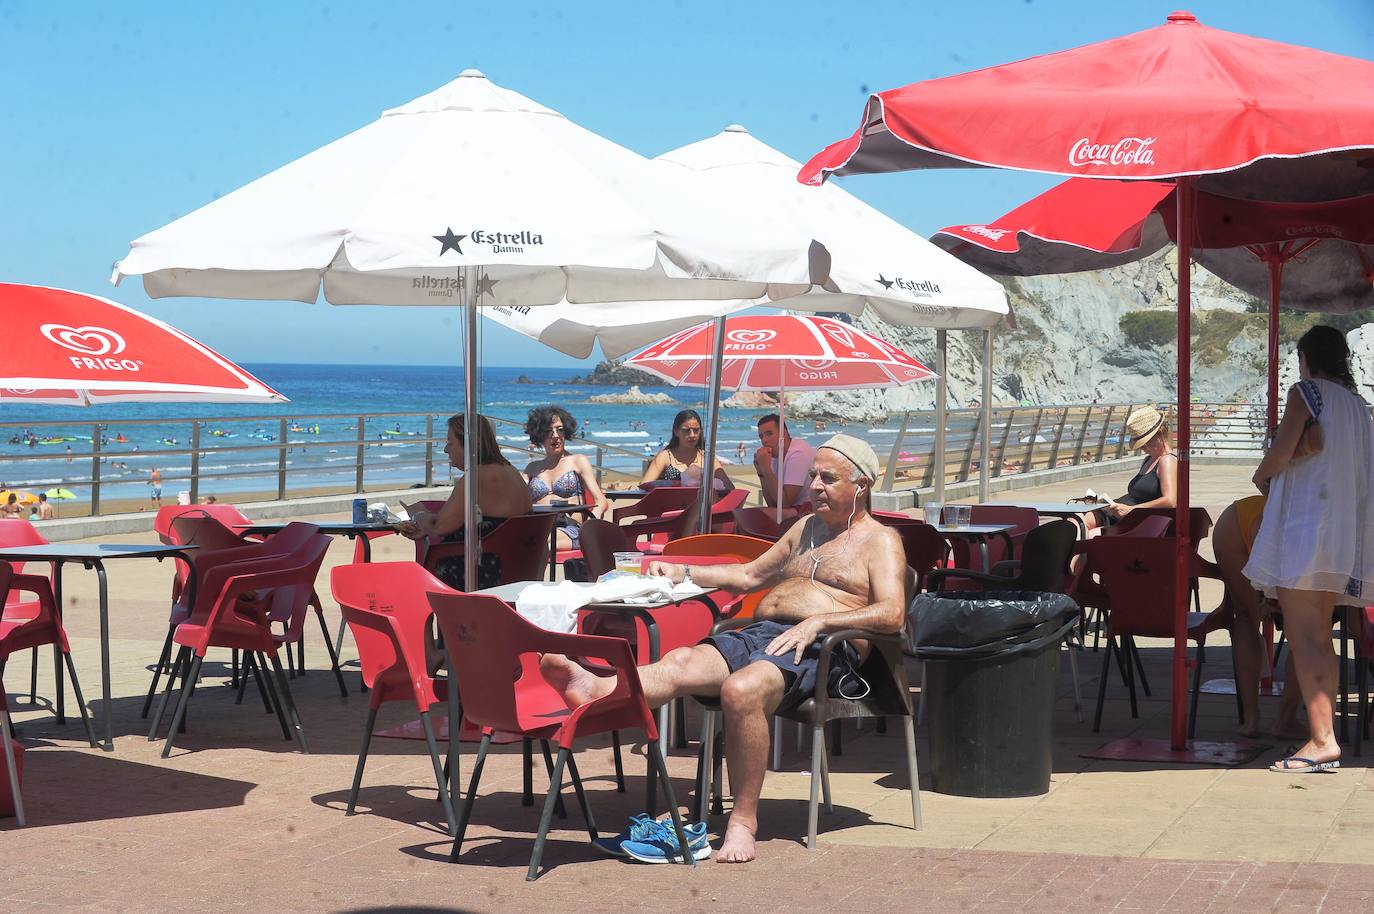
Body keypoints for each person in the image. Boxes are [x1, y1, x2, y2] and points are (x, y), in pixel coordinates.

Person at [541, 435, 906, 863]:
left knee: (741, 689)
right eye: (812, 477)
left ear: (861, 485)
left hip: (826, 650)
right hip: (764, 632)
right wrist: (684, 570)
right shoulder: (806, 528)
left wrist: (821, 620)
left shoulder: (880, 541)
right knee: (681, 661)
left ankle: (742, 822)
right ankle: (596, 688)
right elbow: (749, 576)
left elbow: (893, 614)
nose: (814, 487)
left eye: (827, 479)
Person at [1245, 325, 1374, 773]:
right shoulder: (1357, 406)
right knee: (1320, 637)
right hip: (1341, 536)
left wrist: (1261, 476)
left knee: (1304, 639)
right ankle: (1324, 734)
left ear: (1306, 359)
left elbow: (1282, 451)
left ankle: (1322, 740)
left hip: (1306, 530)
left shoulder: (1306, 392)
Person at [401, 414, 533, 592]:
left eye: (451, 442)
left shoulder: (476, 477)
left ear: (472, 442)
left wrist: (417, 514)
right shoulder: (511, 471)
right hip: (517, 568)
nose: (446, 449)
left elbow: (439, 526)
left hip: (483, 574)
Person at [523, 405, 608, 550]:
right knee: (526, 541)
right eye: (548, 431)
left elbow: (601, 501)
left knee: (537, 542)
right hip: (538, 527)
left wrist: (591, 527)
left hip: (570, 529)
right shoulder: (532, 469)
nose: (555, 435)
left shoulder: (577, 461)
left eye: (560, 430)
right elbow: (517, 501)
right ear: (539, 435)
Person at [1082, 405, 1176, 532]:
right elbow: (1135, 496)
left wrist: (1131, 510)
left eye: (1144, 443)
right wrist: (1110, 503)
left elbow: (1170, 500)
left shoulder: (1167, 460)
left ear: (1159, 434)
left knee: (1086, 534)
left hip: (1139, 522)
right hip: (1125, 516)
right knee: (1078, 521)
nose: (1142, 447)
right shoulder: (1148, 460)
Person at [639, 409, 734, 492]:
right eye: (686, 430)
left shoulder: (707, 457)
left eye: (696, 430)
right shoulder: (666, 456)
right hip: (671, 509)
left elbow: (729, 487)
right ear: (676, 431)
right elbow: (644, 486)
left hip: (701, 510)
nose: (692, 435)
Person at [753, 414, 816, 510]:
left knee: (754, 515)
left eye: (769, 434)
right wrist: (761, 472)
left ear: (784, 433)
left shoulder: (797, 454)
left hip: (809, 511)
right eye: (761, 436)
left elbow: (784, 503)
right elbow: (772, 503)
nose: (764, 440)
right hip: (791, 510)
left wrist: (766, 469)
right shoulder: (776, 454)